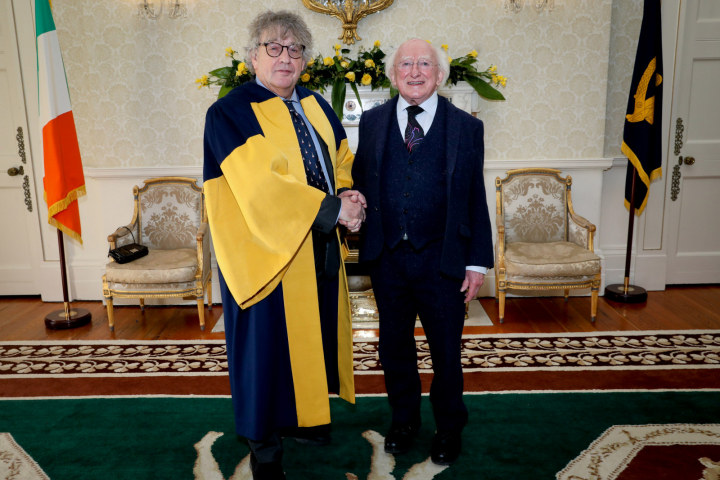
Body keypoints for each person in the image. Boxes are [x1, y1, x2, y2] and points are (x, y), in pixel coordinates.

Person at [202, 10, 366, 480]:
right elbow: (261, 186)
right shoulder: (231, 112)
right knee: (264, 350)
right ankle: (264, 448)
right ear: (253, 57)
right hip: (263, 252)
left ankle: (305, 417)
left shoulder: (315, 105)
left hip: (314, 247)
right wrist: (336, 211)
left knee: (309, 336)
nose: (285, 57)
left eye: (295, 49)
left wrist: (348, 192)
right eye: (273, 47)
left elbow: (338, 159)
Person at [351, 38, 493, 466]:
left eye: (424, 64)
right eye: (406, 64)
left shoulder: (467, 127)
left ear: (440, 74)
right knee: (393, 347)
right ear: (393, 75)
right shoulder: (372, 122)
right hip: (388, 258)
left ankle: (449, 426)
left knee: (446, 349)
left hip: (442, 259)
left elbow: (475, 196)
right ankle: (404, 420)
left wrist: (476, 260)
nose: (415, 71)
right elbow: (361, 181)